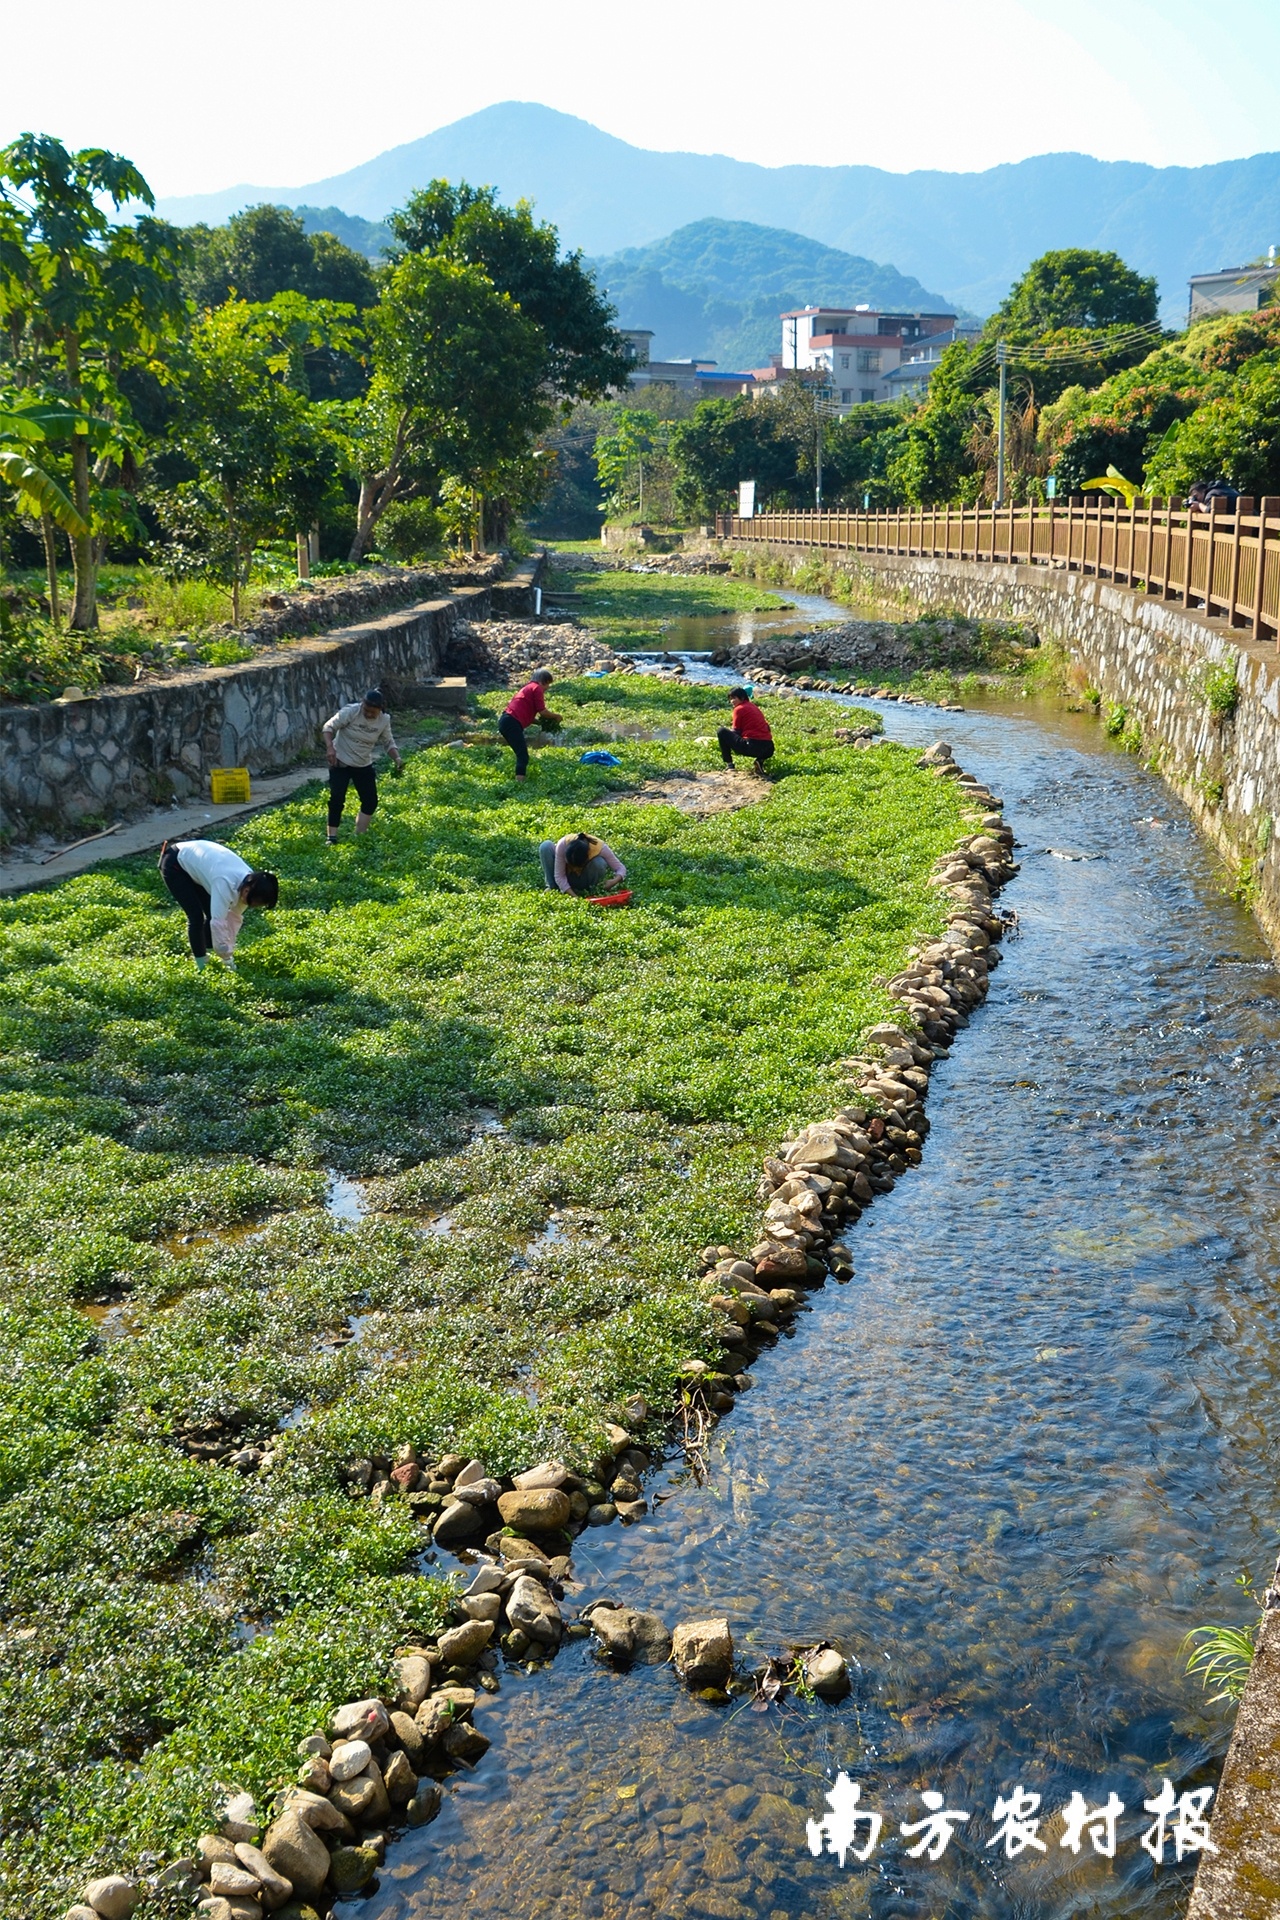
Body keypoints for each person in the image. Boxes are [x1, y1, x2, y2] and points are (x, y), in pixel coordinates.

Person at [159, 838, 278, 969]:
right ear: (246, 890)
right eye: (254, 902)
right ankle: (201, 965)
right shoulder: (225, 883)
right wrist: (226, 958)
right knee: (196, 917)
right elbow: (218, 924)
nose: (252, 906)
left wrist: (228, 951)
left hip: (200, 866)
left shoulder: (250, 883)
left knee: (211, 912)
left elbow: (232, 920)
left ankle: (209, 950)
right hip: (175, 863)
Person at [323, 688, 402, 842]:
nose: (369, 714)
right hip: (340, 761)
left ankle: (360, 835)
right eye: (366, 710)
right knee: (337, 799)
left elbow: (388, 742)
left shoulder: (384, 720)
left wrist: (397, 758)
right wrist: (330, 747)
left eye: (373, 712)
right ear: (362, 704)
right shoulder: (351, 712)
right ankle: (331, 837)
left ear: (380, 709)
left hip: (362, 764)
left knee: (370, 801)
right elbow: (328, 727)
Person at [500, 669, 560, 780]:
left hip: (506, 721)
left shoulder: (528, 687)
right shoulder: (536, 688)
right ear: (543, 681)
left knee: (521, 753)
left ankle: (519, 780)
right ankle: (519, 785)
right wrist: (556, 716)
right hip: (511, 722)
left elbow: (527, 715)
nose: (547, 688)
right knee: (523, 756)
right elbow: (543, 711)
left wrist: (540, 723)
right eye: (548, 684)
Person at [539, 831, 626, 896]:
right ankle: (553, 887)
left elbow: (620, 868)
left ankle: (592, 890)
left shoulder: (599, 847)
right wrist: (575, 897)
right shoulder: (563, 844)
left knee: (599, 862)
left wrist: (614, 881)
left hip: (585, 879)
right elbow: (559, 876)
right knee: (546, 846)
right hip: (567, 877)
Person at [717, 686, 774, 776]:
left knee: (721, 731)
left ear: (742, 698)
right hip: (769, 748)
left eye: (734, 698)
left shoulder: (739, 709)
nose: (732, 701)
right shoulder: (753, 707)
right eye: (731, 699)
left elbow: (736, 731)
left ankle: (729, 765)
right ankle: (759, 761)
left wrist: (729, 740)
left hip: (751, 747)